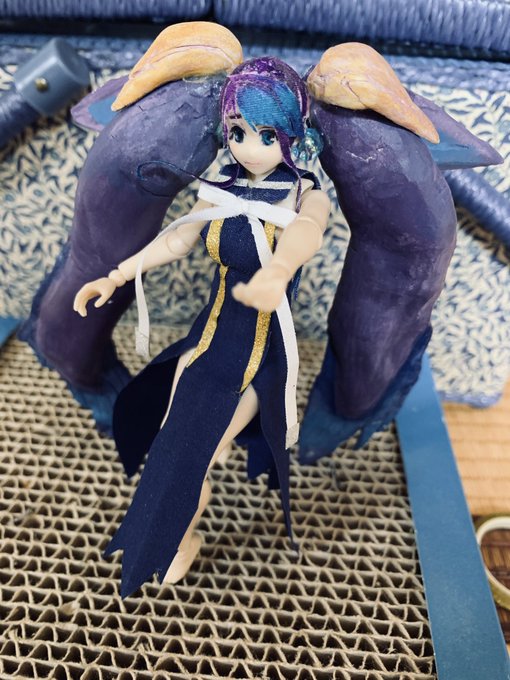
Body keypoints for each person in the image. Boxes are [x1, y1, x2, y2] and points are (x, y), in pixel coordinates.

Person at [74, 56, 331, 598]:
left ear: (291, 135)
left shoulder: (304, 194)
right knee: (173, 443)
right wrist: (117, 274)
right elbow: (179, 237)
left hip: (259, 355)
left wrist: (280, 270)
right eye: (238, 132)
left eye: (266, 135)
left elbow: (306, 231)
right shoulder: (222, 187)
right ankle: (170, 536)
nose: (249, 147)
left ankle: (173, 538)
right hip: (208, 339)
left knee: (195, 453)